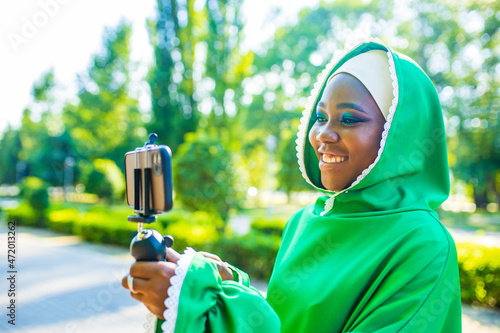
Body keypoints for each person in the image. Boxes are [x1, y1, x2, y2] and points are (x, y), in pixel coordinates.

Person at [122, 36, 462, 332]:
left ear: (399, 137)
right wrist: (223, 286)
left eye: (349, 119)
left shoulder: (424, 244)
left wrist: (208, 303)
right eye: (320, 116)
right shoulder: (304, 221)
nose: (324, 134)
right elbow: (285, 321)